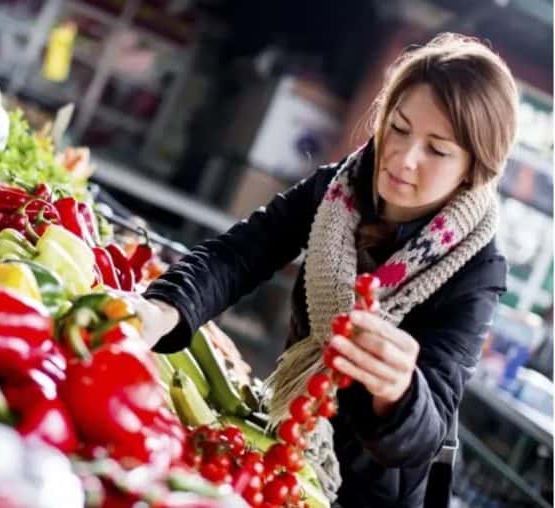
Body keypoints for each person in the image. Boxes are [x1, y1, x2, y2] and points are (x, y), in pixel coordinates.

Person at [123, 33, 519, 508]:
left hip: (373, 495)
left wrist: (399, 391)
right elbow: (240, 255)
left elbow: (425, 433)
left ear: (474, 169)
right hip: (286, 453)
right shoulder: (337, 192)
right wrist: (161, 311)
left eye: (436, 150)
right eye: (398, 126)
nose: (403, 158)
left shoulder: (478, 268)